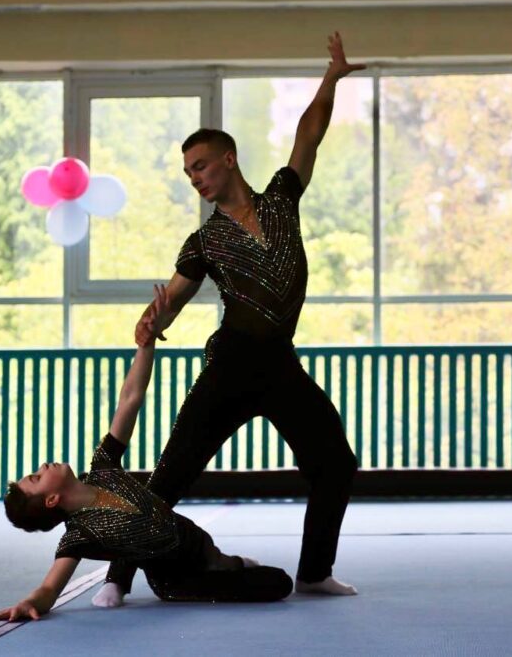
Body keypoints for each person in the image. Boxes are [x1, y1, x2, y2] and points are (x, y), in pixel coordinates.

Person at [93, 32, 365, 609]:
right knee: (171, 474)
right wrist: (149, 323)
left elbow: (308, 135)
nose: (194, 178)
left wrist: (331, 79)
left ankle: (314, 571)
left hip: (280, 367)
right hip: (230, 366)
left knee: (336, 464)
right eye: (188, 173)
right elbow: (172, 298)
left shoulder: (281, 201)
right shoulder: (204, 241)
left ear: (229, 159)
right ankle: (117, 576)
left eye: (200, 166)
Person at [0, 286, 292, 622]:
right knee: (278, 583)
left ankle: (232, 564)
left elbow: (130, 398)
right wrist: (29, 603)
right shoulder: (79, 536)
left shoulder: (103, 467)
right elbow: (49, 588)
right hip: (179, 579)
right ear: (52, 499)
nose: (43, 466)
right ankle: (212, 571)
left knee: (224, 562)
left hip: (193, 538)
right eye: (37, 477)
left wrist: (147, 342)